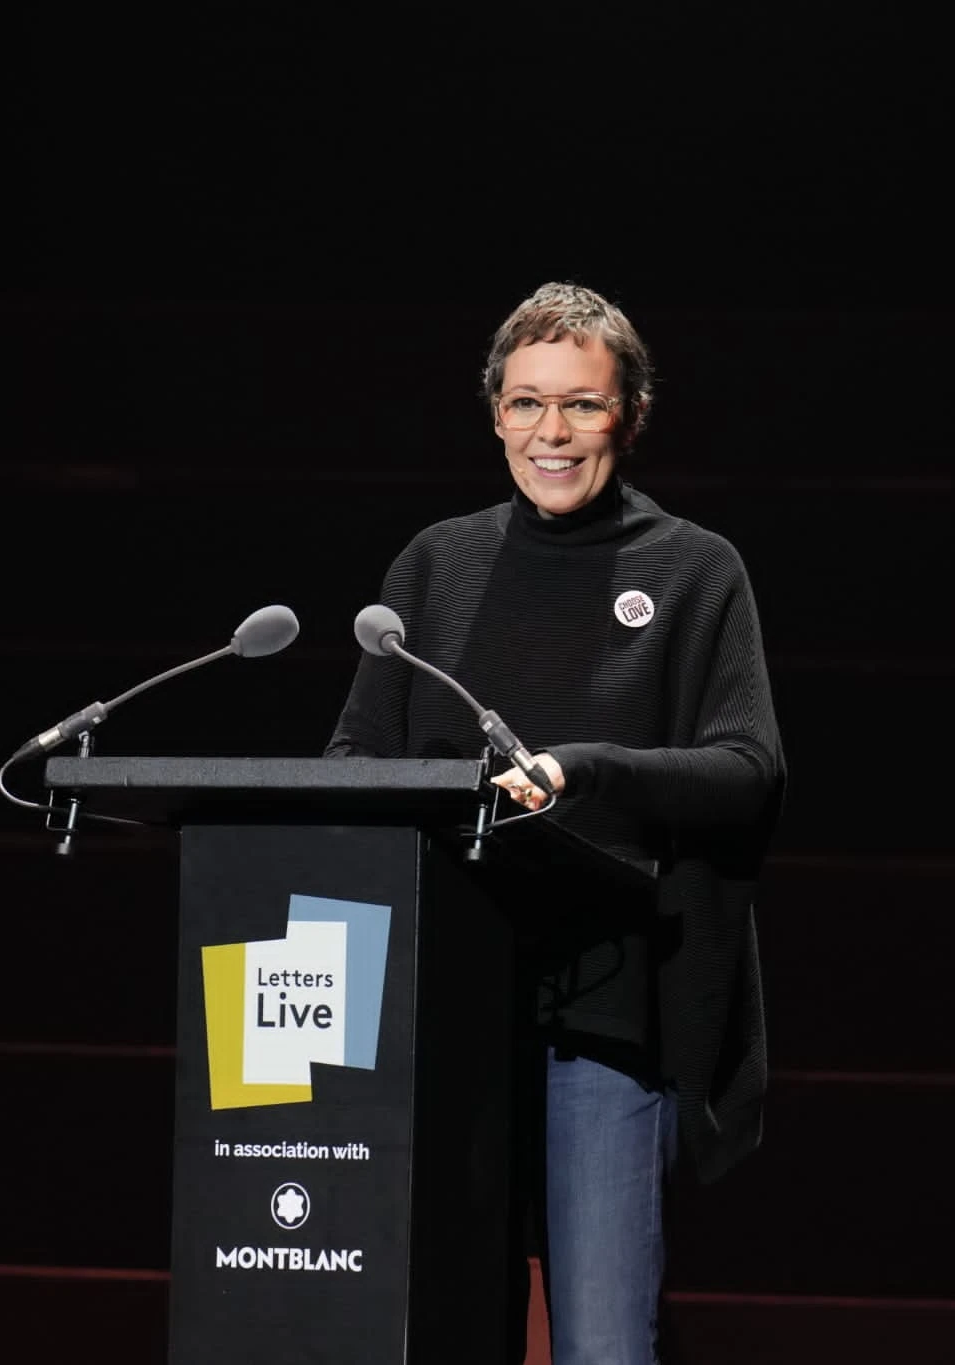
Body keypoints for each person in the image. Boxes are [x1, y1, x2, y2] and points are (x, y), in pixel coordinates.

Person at [324, 281, 785, 1365]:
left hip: (605, 1010)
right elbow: (353, 761)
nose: (552, 432)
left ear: (629, 415)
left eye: (582, 404)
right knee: (434, 1330)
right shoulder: (436, 566)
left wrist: (584, 771)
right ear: (494, 414)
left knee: (602, 1345)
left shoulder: (693, 570)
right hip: (446, 1011)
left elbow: (749, 769)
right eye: (526, 403)